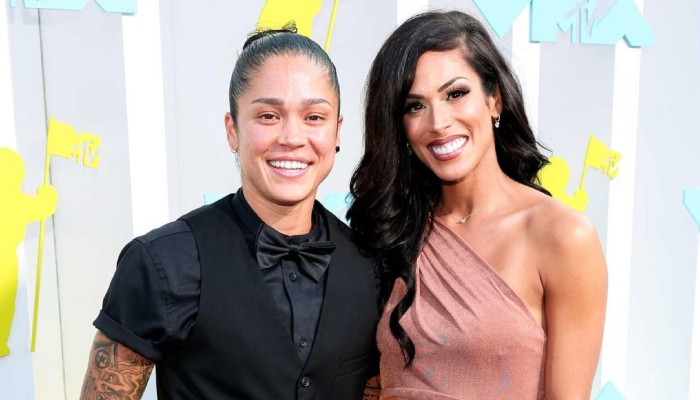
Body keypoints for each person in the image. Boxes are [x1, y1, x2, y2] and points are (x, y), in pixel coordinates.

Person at [80, 27, 379, 400]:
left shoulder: (369, 264)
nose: (292, 137)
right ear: (233, 130)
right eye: (268, 115)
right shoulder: (163, 262)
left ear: (337, 131)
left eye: (314, 117)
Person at [348, 11, 607, 400]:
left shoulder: (563, 236)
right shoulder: (393, 230)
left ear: (494, 99)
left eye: (455, 94)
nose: (438, 122)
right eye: (415, 106)